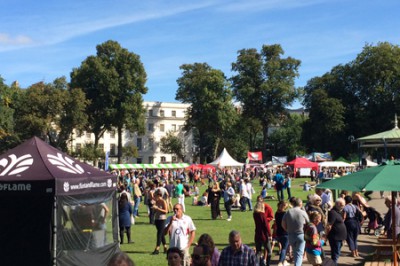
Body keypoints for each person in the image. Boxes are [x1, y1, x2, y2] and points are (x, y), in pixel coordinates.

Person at [281, 197, 309, 266]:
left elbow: (283, 223)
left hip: (291, 235)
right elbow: (308, 222)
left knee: (295, 252)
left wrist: (287, 230)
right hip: (301, 234)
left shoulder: (288, 212)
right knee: (299, 253)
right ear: (300, 204)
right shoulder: (302, 212)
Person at [326, 198, 347, 265]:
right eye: (342, 205)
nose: (343, 207)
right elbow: (329, 225)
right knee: (335, 254)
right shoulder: (333, 212)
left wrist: (343, 218)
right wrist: (325, 235)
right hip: (335, 237)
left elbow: (339, 222)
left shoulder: (339, 212)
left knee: (336, 253)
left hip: (339, 237)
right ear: (338, 204)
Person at [253, 201, 272, 266]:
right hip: (264, 235)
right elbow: (266, 226)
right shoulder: (262, 214)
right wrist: (270, 234)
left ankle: (257, 264)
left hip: (257, 234)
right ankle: (267, 264)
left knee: (258, 252)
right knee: (269, 251)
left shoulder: (255, 214)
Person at [152, 190, 168, 255]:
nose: (154, 197)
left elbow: (166, 211)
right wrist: (154, 208)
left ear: (159, 196)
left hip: (162, 219)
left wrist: (157, 208)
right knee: (161, 234)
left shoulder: (163, 201)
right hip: (157, 219)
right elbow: (155, 210)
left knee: (159, 233)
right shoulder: (156, 201)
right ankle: (165, 247)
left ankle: (157, 248)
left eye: (155, 196)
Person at [275, 201, 289, 266]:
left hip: (279, 232)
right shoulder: (285, 213)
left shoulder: (276, 213)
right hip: (285, 232)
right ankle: (280, 262)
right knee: (284, 248)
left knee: (283, 248)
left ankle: (284, 261)